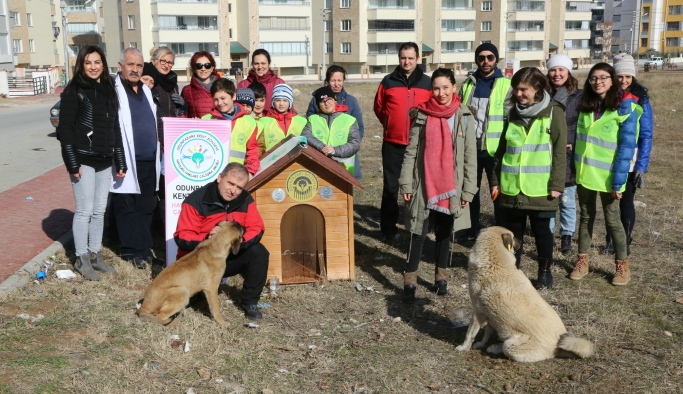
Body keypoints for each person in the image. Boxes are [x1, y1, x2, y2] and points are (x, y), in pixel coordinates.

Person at [398, 68, 477, 303]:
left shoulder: (464, 116)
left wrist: (468, 189)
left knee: (444, 233)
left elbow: (469, 156)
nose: (441, 93)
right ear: (430, 89)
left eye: (445, 87)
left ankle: (441, 278)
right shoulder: (421, 115)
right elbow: (410, 153)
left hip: (451, 185)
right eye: (436, 88)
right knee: (418, 231)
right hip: (423, 182)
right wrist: (406, 184)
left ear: (454, 88)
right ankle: (410, 280)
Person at [490, 67, 567, 290]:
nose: (518, 94)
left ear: (537, 89)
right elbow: (501, 150)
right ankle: (514, 272)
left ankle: (544, 273)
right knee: (512, 236)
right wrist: (495, 180)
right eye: (516, 89)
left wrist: (556, 184)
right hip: (512, 187)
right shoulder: (512, 112)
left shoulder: (554, 112)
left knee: (543, 232)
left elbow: (560, 152)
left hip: (540, 188)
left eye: (523, 90)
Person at [57, 45, 126, 280]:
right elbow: (64, 129)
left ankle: (96, 255)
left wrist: (120, 158)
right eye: (88, 63)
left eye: (97, 62)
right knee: (85, 210)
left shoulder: (109, 89)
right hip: (83, 158)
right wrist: (72, 161)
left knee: (100, 210)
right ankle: (81, 257)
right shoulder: (74, 90)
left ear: (103, 65)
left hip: (105, 159)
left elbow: (114, 127)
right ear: (81, 65)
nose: (93, 67)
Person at [570, 63, 641, 286]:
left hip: (609, 178)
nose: (598, 82)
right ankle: (582, 261)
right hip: (585, 175)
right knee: (585, 217)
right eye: (593, 78)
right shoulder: (586, 106)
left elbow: (626, 149)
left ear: (612, 80)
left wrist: (619, 182)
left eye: (603, 78)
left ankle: (622, 265)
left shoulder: (625, 109)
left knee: (613, 221)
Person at [174, 163, 268, 320]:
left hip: (227, 258)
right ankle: (196, 293)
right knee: (185, 299)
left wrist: (239, 241)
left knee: (259, 252)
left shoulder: (246, 199)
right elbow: (182, 237)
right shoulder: (196, 200)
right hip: (200, 262)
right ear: (219, 178)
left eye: (239, 187)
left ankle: (250, 302)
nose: (233, 190)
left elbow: (257, 228)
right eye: (230, 183)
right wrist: (209, 240)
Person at [373, 42, 432, 242]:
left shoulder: (427, 82)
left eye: (410, 58)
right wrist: (391, 123)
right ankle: (388, 229)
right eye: (403, 58)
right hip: (392, 143)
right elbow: (379, 107)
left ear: (418, 59)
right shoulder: (388, 81)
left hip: (418, 144)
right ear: (399, 59)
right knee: (391, 188)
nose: (406, 61)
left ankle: (415, 227)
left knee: (417, 187)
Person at [112, 47, 161, 269]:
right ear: (120, 65)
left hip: (148, 159)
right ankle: (131, 250)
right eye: (130, 64)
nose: (135, 69)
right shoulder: (113, 90)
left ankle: (144, 247)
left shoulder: (146, 90)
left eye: (139, 65)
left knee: (146, 205)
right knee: (127, 206)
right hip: (125, 159)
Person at [458, 43, 512, 241]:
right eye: (481, 58)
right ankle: (472, 229)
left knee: (498, 193)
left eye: (490, 57)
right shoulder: (468, 84)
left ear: (496, 59)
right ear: (476, 60)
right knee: (471, 191)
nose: (486, 61)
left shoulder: (506, 85)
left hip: (495, 149)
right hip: (471, 148)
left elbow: (509, 117)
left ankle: (501, 232)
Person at [604, 53, 653, 256]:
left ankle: (625, 240)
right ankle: (610, 240)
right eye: (620, 76)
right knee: (609, 201)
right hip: (606, 157)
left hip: (630, 160)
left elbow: (646, 135)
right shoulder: (606, 96)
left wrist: (641, 166)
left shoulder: (641, 99)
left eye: (628, 76)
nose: (624, 81)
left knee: (626, 201)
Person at [546, 54, 583, 256]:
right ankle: (548, 234)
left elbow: (584, 126)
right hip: (546, 153)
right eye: (553, 69)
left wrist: (573, 144)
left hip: (569, 154)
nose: (557, 73)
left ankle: (567, 235)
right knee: (549, 196)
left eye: (561, 69)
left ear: (569, 72)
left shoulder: (579, 96)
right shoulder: (542, 93)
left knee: (567, 198)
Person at [306, 65, 365, 180]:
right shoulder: (316, 100)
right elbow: (310, 123)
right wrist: (321, 147)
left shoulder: (351, 101)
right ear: (327, 81)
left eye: (339, 80)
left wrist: (349, 146)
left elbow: (360, 127)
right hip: (321, 154)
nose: (336, 84)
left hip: (344, 155)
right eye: (333, 80)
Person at [201, 79, 260, 178]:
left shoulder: (249, 122)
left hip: (237, 176)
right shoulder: (206, 120)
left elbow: (252, 150)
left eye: (223, 98)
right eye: (216, 99)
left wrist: (250, 171)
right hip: (212, 174)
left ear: (233, 96)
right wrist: (194, 126)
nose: (220, 103)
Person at [302, 86, 361, 174]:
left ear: (335, 100)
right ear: (318, 105)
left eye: (329, 99)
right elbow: (306, 136)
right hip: (318, 169)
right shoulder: (312, 119)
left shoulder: (349, 120)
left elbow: (355, 143)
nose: (326, 103)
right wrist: (322, 147)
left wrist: (335, 150)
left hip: (344, 172)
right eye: (322, 101)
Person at [257, 83, 307, 155]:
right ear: (273, 102)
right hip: (271, 162)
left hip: (296, 162)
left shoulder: (302, 121)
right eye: (277, 100)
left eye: (285, 100)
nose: (281, 103)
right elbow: (259, 146)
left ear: (290, 102)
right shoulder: (263, 121)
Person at [181, 51, 220, 118]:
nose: (203, 69)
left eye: (207, 65)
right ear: (194, 69)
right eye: (199, 66)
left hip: (220, 127)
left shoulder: (224, 87)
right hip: (197, 128)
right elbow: (183, 115)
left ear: (212, 68)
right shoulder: (187, 90)